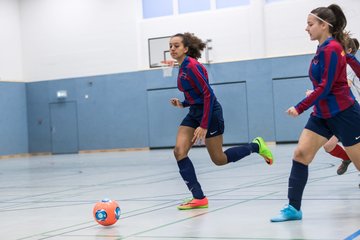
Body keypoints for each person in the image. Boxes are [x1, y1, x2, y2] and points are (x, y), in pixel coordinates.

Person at [270, 4, 360, 222]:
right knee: (301, 154)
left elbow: (326, 87)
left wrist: (299, 106)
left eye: (310, 24)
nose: (306, 28)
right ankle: (293, 208)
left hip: (344, 114)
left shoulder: (331, 49)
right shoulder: (324, 48)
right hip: (322, 114)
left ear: (324, 25)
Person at [169, 32, 274, 210]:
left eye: (176, 45)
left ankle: (256, 146)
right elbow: (196, 95)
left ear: (186, 48)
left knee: (219, 159)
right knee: (179, 151)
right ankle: (199, 197)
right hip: (194, 112)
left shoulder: (192, 66)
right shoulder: (181, 67)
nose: (172, 49)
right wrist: (183, 103)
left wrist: (204, 125)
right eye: (170, 46)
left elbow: (208, 95)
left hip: (210, 113)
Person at [315, 37, 360, 175]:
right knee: (328, 146)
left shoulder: (349, 66)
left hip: (353, 111)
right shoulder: (338, 65)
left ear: (349, 50)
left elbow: (346, 84)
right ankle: (347, 159)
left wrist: (318, 93)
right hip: (341, 112)